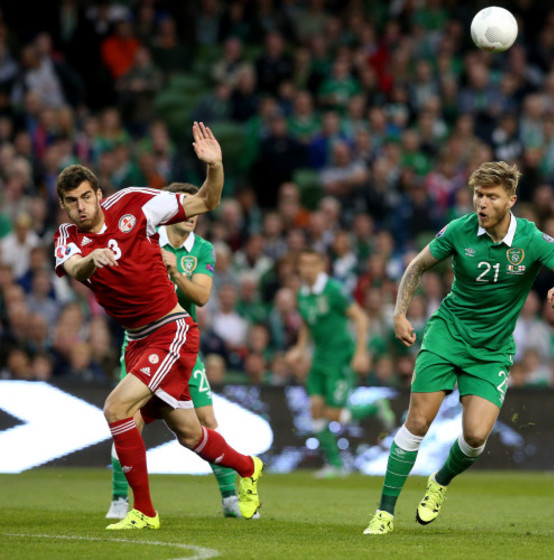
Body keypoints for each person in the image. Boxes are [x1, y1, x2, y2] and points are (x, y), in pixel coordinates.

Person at [363, 161, 554, 535]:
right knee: (418, 421)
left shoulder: (533, 240)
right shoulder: (459, 230)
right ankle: (384, 514)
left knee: (474, 436)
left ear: (511, 201)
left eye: (491, 196)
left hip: (492, 351)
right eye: (478, 195)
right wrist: (399, 314)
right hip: (447, 335)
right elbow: (417, 266)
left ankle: (439, 482)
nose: (482, 204)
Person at [54, 123, 263, 530]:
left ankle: (143, 512)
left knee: (117, 410)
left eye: (85, 197)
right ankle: (247, 466)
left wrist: (215, 167)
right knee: (189, 433)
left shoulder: (135, 203)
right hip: (137, 341)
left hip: (171, 330)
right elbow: (72, 266)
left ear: (98, 195)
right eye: (70, 202)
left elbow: (207, 200)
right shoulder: (68, 238)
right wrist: (90, 261)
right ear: (64, 206)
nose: (80, 207)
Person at [105, 182, 249, 520]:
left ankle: (231, 496)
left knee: (204, 420)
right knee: (127, 418)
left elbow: (200, 296)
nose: (194, 215)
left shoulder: (202, 250)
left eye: (197, 210)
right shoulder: (146, 240)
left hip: (180, 341)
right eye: (188, 208)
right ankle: (119, 500)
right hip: (141, 342)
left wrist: (173, 271)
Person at [287, 249, 396, 478]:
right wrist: (300, 348)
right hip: (319, 359)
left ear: (320, 266)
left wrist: (360, 353)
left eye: (311, 264)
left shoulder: (334, 290)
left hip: (340, 359)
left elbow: (360, 317)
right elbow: (308, 322)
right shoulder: (302, 293)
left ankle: (374, 405)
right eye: (302, 264)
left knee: (334, 414)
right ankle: (335, 465)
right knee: (315, 410)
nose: (306, 269)